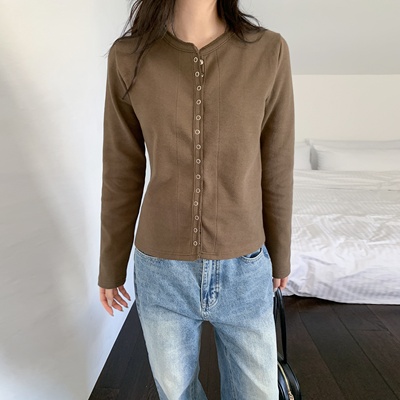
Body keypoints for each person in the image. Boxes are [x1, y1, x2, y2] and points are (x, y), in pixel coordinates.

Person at [98, 0, 295, 399]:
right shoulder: (128, 55)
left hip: (245, 267)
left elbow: (277, 164)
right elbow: (121, 169)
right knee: (177, 393)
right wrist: (111, 265)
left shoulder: (268, 50)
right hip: (161, 270)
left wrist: (280, 254)